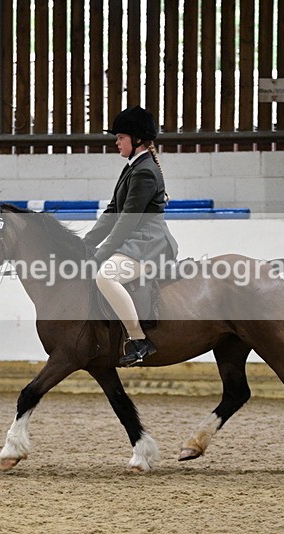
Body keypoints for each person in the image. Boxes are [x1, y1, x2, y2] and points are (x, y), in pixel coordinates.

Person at [83, 105, 179, 367]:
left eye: (121, 138)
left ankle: (139, 340)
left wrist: (99, 255)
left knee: (106, 275)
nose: (116, 142)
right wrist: (86, 244)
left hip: (150, 244)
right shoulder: (132, 167)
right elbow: (113, 211)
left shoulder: (145, 171)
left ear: (137, 140)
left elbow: (126, 222)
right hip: (135, 243)